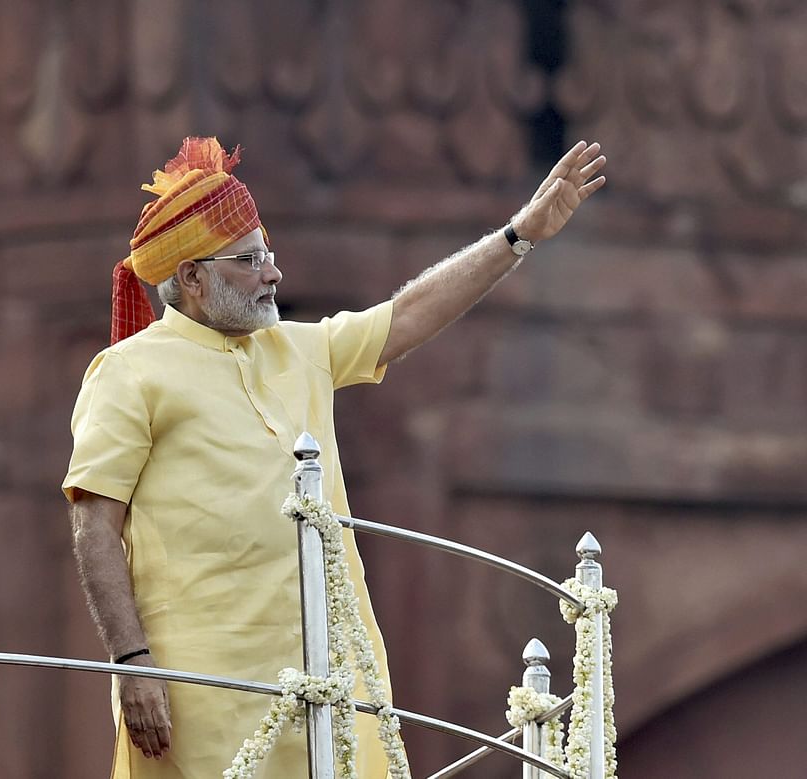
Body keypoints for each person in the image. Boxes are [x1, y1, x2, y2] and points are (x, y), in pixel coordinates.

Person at [63, 137, 606, 778]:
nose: (273, 274)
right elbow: (95, 524)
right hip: (203, 690)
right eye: (250, 260)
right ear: (191, 278)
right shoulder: (129, 372)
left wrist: (518, 235)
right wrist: (131, 662)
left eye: (270, 255)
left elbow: (410, 314)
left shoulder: (302, 350)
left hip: (331, 678)